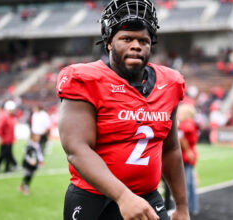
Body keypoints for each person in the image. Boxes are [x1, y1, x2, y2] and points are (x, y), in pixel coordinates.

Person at [56, 1, 190, 219]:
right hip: (93, 199)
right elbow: (76, 148)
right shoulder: (85, 79)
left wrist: (182, 207)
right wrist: (123, 196)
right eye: (127, 39)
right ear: (109, 43)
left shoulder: (170, 83)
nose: (136, 45)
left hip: (147, 196)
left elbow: (170, 149)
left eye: (143, 41)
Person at [177, 104, 200, 217]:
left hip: (186, 156)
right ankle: (193, 208)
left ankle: (186, 209)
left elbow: (181, 136)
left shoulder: (187, 123)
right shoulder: (190, 123)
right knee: (190, 184)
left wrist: (187, 151)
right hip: (189, 155)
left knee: (186, 184)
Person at [0, 100, 18, 172]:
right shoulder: (4, 116)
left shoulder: (10, 116)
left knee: (7, 154)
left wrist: (13, 138)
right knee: (4, 155)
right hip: (4, 139)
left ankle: (7, 168)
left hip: (9, 139)